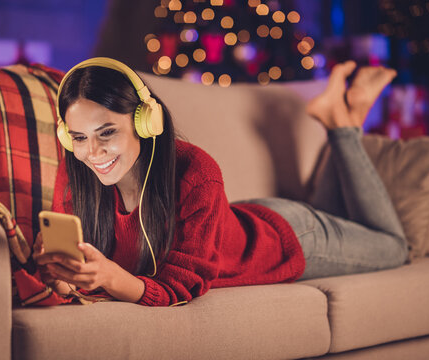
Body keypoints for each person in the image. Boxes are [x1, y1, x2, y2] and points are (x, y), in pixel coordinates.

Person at [33, 57, 408, 307]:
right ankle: (344, 113)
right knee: (335, 213)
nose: (93, 151)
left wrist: (112, 278)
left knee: (394, 248)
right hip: (237, 220)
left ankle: (343, 124)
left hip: (288, 238)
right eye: (79, 137)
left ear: (146, 121)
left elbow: (182, 287)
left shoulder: (196, 170)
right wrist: (63, 275)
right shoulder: (79, 172)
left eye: (107, 132)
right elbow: (82, 279)